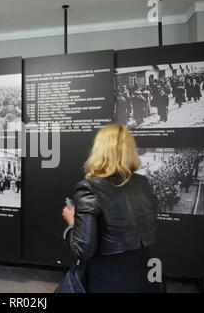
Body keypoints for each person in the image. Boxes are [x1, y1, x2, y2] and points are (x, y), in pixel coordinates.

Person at [61, 124, 159, 293]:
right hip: (143, 270)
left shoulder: (89, 187)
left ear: (99, 150)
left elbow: (83, 250)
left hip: (108, 276)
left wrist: (71, 222)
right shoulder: (143, 184)